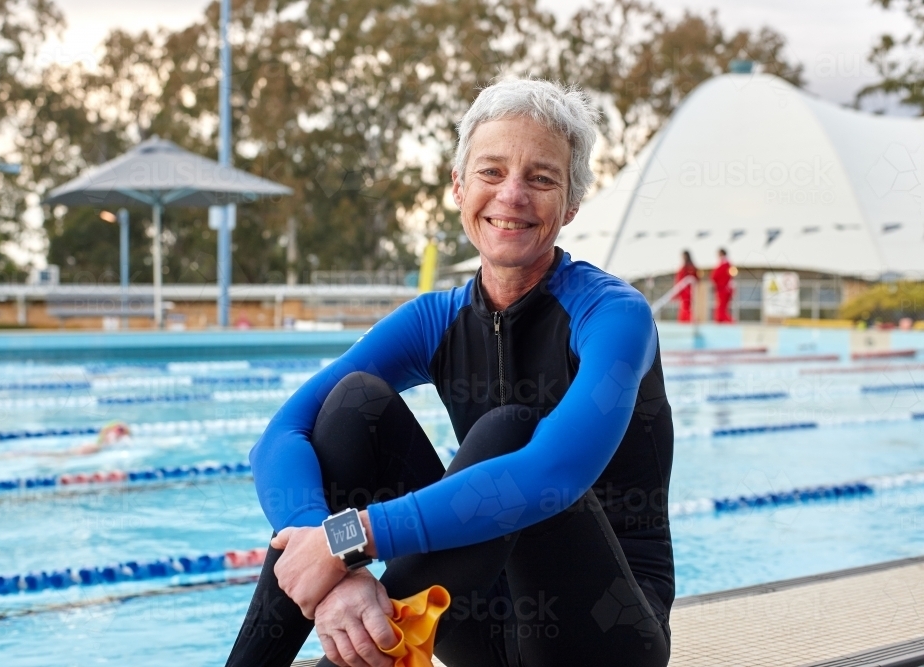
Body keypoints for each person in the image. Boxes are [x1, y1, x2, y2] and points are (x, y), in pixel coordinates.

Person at [226, 79, 674, 667]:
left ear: (570, 206)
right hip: (475, 624)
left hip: (600, 632)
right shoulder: (435, 319)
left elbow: (552, 476)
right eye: (491, 172)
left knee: (510, 431)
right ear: (459, 187)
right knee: (353, 404)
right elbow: (281, 435)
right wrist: (329, 563)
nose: (511, 195)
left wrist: (352, 540)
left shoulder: (614, 315)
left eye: (541, 178)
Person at [710, 248, 735, 323]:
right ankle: (722, 321)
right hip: (725, 289)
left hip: (723, 289)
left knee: (721, 308)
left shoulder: (724, 264)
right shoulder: (727, 264)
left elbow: (715, 276)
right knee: (722, 307)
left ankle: (728, 321)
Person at [674, 250, 697, 323]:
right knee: (683, 306)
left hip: (687, 290)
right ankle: (684, 320)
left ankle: (686, 320)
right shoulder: (685, 266)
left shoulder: (689, 267)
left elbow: (695, 277)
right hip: (682, 290)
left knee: (686, 306)